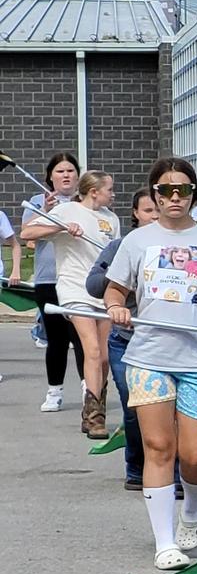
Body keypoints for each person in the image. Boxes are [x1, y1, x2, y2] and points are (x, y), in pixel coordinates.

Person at [105, 159, 197, 571]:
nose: (175, 197)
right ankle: (165, 543)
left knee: (196, 455)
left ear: (194, 193)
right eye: (165, 191)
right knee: (159, 448)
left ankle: (193, 509)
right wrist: (116, 309)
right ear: (154, 195)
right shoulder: (137, 242)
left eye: (183, 189)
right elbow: (114, 290)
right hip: (148, 356)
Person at [24, 168, 120, 438]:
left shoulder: (111, 219)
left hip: (100, 291)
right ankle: (95, 416)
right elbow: (28, 232)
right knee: (90, 349)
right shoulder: (67, 210)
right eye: (109, 189)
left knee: (102, 357)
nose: (113, 194)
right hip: (73, 288)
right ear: (94, 191)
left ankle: (95, 404)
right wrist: (60, 228)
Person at [102, 188, 164, 491]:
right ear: (136, 214)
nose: (154, 215)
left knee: (167, 409)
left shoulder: (181, 246)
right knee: (134, 406)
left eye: (157, 209)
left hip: (167, 341)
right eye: (148, 210)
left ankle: (173, 473)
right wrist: (119, 276)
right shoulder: (122, 246)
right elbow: (95, 285)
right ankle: (137, 466)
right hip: (127, 339)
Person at [21, 153, 82, 407]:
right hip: (49, 280)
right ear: (50, 177)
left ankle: (89, 392)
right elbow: (28, 233)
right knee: (56, 338)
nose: (66, 175)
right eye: (60, 171)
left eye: (70, 170)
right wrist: (49, 214)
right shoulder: (38, 201)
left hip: (79, 280)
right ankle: (54, 391)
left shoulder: (85, 202)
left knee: (81, 338)